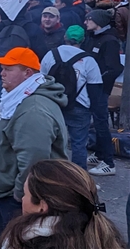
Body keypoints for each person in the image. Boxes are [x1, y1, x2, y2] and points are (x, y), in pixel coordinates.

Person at [0, 47, 69, 234]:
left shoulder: (33, 110)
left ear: (28, 72)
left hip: (16, 200)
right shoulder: (18, 96)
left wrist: (20, 195)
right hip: (6, 192)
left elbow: (34, 159)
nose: (2, 73)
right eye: (2, 68)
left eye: (8, 69)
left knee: (15, 240)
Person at [0, 159, 125, 249]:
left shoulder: (22, 242)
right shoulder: (105, 235)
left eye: (25, 193)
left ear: (42, 206)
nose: (22, 198)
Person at [39, 25, 101, 169]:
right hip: (79, 106)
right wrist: (94, 109)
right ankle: (77, 177)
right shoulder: (88, 60)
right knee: (79, 143)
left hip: (53, 103)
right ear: (83, 39)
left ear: (65, 37)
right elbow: (95, 88)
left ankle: (49, 172)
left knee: (52, 141)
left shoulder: (51, 54)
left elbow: (41, 79)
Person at [82, 9, 122, 176]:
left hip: (100, 89)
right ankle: (99, 154)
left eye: (88, 19)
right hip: (91, 87)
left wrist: (99, 82)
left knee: (101, 123)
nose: (85, 22)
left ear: (98, 21)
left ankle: (108, 162)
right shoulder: (93, 37)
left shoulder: (109, 41)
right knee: (97, 122)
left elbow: (115, 68)